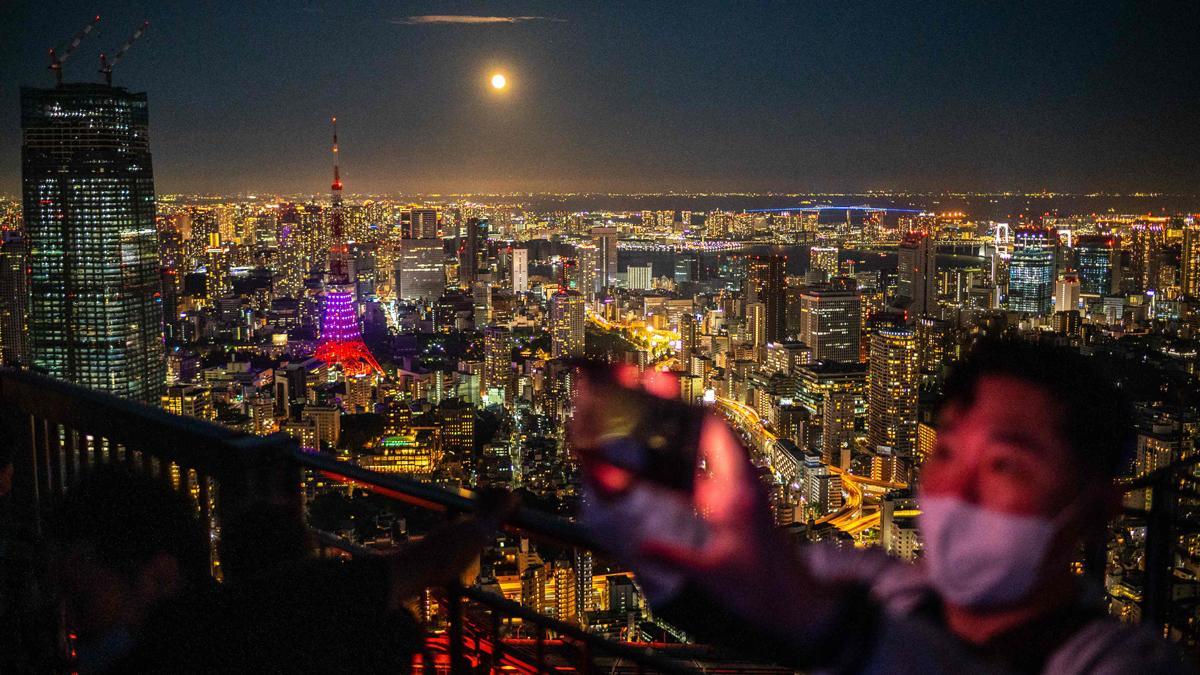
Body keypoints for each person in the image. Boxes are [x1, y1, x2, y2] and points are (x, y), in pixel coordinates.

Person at [572, 341, 1197, 674]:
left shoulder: (1127, 662)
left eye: (1005, 465)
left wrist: (836, 632)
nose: (959, 490)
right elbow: (737, 583)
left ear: (1096, 508)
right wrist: (630, 496)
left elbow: (804, 609)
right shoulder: (885, 587)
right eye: (947, 454)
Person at [45, 466, 510, 673]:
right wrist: (487, 520)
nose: (68, 619)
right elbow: (428, 562)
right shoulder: (280, 609)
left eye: (81, 597)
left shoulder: (262, 616)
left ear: (161, 574)